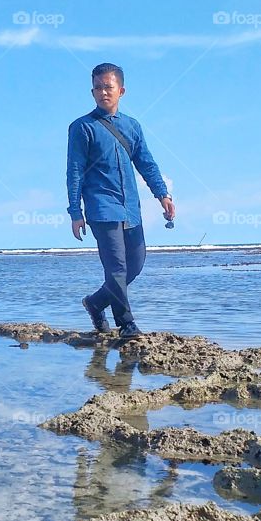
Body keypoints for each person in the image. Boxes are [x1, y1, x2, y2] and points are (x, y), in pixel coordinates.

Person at [66, 63, 175, 339]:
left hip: (131, 209)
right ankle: (126, 325)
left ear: (121, 91)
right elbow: (75, 171)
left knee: (135, 264)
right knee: (116, 268)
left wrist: (163, 194)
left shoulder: (132, 126)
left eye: (108, 87)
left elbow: (146, 163)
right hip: (101, 208)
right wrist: (75, 212)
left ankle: (95, 302)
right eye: (98, 88)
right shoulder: (82, 127)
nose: (103, 92)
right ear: (92, 92)